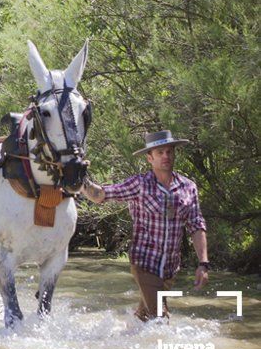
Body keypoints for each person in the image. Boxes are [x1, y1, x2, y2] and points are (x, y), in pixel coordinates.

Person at [81, 130, 209, 321]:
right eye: (160, 153)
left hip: (170, 269)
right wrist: (79, 181)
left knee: (144, 320)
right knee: (160, 318)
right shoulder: (140, 184)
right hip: (144, 262)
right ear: (150, 158)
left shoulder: (188, 187)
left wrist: (203, 263)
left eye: (169, 151)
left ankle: (124, 343)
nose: (165, 156)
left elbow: (196, 225)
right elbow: (101, 195)